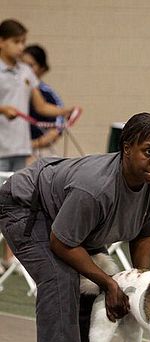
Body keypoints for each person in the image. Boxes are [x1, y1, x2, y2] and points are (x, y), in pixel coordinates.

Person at [0, 112, 150, 342]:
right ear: (127, 148)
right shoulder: (96, 187)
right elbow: (62, 243)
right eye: (148, 152)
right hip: (27, 206)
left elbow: (146, 235)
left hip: (71, 221)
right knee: (60, 277)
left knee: (87, 281)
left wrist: (137, 281)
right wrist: (108, 282)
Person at [0, 19, 73, 270]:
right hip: (0, 147)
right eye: (16, 42)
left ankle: (10, 257)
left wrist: (66, 110)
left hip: (20, 147)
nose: (21, 47)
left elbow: (41, 105)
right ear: (2, 41)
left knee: (15, 203)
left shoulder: (26, 72)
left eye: (23, 41)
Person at [22, 44, 64, 157]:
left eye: (30, 65)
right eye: (22, 65)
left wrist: (34, 144)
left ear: (42, 68)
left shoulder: (48, 94)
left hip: (37, 151)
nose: (26, 70)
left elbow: (57, 128)